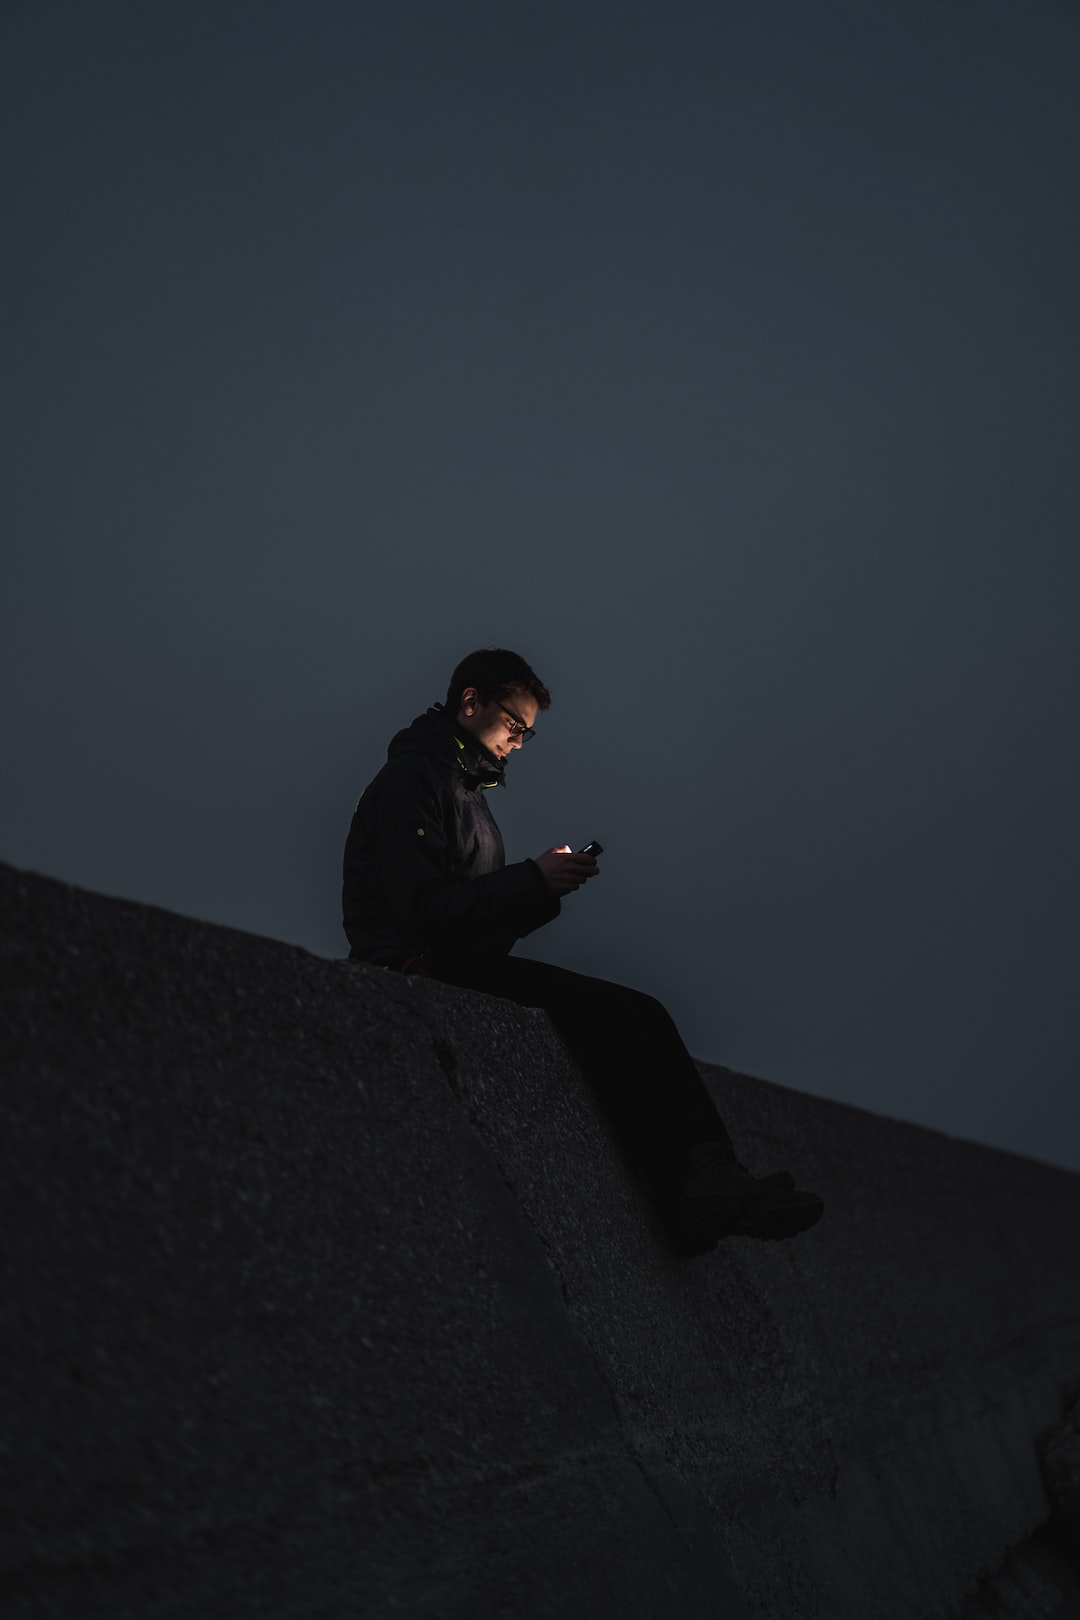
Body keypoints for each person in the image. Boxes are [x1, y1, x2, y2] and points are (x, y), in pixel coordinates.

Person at [342, 648, 824, 1255]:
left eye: (527, 735)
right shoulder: (412, 781)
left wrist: (542, 889)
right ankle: (697, 1186)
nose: (518, 743)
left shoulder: (467, 796)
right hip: (412, 969)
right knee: (627, 1015)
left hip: (451, 964)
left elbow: (478, 932)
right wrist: (531, 882)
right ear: (470, 702)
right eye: (513, 726)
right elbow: (422, 915)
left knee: (629, 1017)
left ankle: (703, 1178)